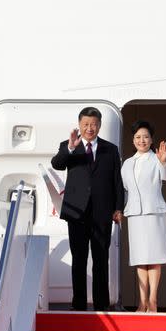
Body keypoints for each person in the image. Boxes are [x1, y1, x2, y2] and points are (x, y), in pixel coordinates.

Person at [51, 107, 123, 311]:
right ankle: (79, 304)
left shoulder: (110, 149)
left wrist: (118, 208)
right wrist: (71, 148)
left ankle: (101, 305)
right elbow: (57, 164)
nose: (89, 128)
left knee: (101, 259)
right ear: (79, 125)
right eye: (86, 124)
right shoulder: (69, 146)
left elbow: (117, 181)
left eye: (93, 124)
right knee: (79, 259)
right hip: (77, 213)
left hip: (102, 213)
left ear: (99, 125)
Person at [120, 120, 166, 312]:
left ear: (151, 140)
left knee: (154, 257)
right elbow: (125, 189)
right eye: (138, 137)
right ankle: (142, 301)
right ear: (133, 140)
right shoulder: (127, 163)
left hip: (154, 212)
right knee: (140, 258)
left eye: (145, 137)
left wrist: (163, 161)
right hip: (134, 214)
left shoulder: (156, 159)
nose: (142, 140)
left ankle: (153, 300)